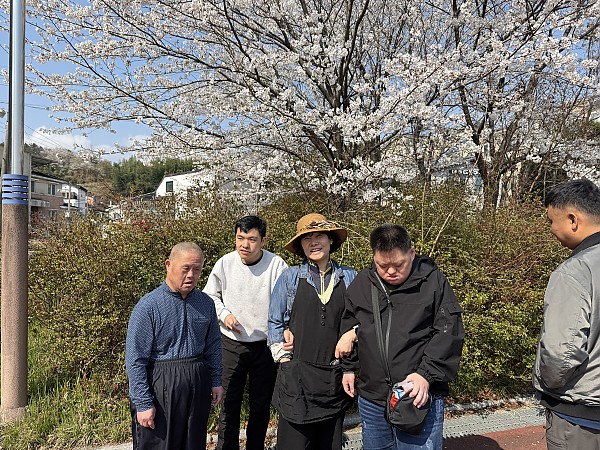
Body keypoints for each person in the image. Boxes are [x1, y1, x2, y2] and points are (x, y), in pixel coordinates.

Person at [338, 224, 464, 450]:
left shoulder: (433, 282)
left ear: (411, 253)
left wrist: (425, 375)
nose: (390, 271)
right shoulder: (363, 283)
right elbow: (352, 323)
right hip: (373, 396)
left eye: (398, 265)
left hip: (416, 395)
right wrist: (348, 367)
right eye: (382, 265)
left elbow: (448, 332)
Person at [268, 213, 357, 450]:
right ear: (300, 245)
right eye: (307, 238)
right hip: (297, 379)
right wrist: (284, 358)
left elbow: (364, 319)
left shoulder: (350, 277)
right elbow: (274, 322)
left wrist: (353, 334)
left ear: (331, 240)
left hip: (333, 378)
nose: (313, 242)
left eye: (319, 236)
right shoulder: (289, 278)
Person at [125, 242, 223, 450]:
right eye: (185, 268)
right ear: (169, 265)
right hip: (160, 386)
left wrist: (216, 380)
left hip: (197, 384)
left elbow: (213, 346)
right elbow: (135, 359)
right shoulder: (148, 306)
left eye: (197, 270)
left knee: (193, 444)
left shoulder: (206, 303)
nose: (191, 275)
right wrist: (143, 402)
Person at [203, 215, 288, 450]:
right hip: (231, 343)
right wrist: (224, 315)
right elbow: (210, 295)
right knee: (228, 403)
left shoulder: (276, 265)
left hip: (265, 345)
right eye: (240, 238)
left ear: (263, 240)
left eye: (251, 239)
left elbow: (287, 301)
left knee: (260, 405)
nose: (245, 245)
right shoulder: (225, 263)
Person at [532, 179, 600, 449]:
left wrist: (549, 384)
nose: (551, 229)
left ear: (573, 219)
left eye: (551, 221)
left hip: (581, 415)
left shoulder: (575, 271)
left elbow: (561, 352)